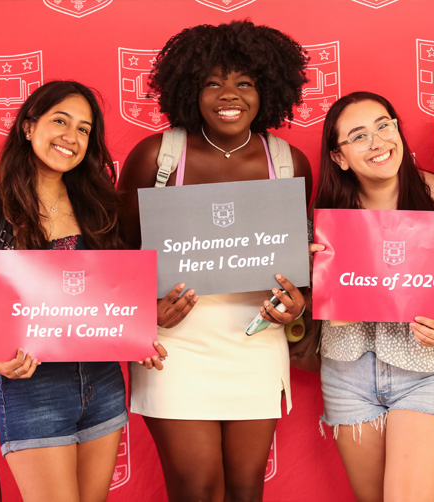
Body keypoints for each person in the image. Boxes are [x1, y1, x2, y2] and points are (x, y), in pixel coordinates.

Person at [117, 21, 311, 502]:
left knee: (246, 490)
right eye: (213, 82)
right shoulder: (156, 158)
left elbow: (298, 265)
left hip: (255, 340)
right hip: (176, 345)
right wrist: (144, 315)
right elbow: (117, 257)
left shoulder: (289, 164)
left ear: (267, 90)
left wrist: (296, 305)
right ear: (190, 90)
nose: (231, 95)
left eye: (244, 82)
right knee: (197, 489)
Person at [0, 80, 166, 501]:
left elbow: (113, 294)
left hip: (102, 382)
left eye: (84, 129)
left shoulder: (99, 205)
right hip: (31, 386)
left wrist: (140, 336)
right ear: (28, 127)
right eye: (60, 121)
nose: (71, 137)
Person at [310, 91, 434, 502]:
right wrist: (314, 285)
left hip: (428, 372)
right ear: (339, 157)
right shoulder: (326, 216)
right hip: (348, 373)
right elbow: (308, 302)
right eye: (359, 136)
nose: (379, 142)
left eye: (384, 125)